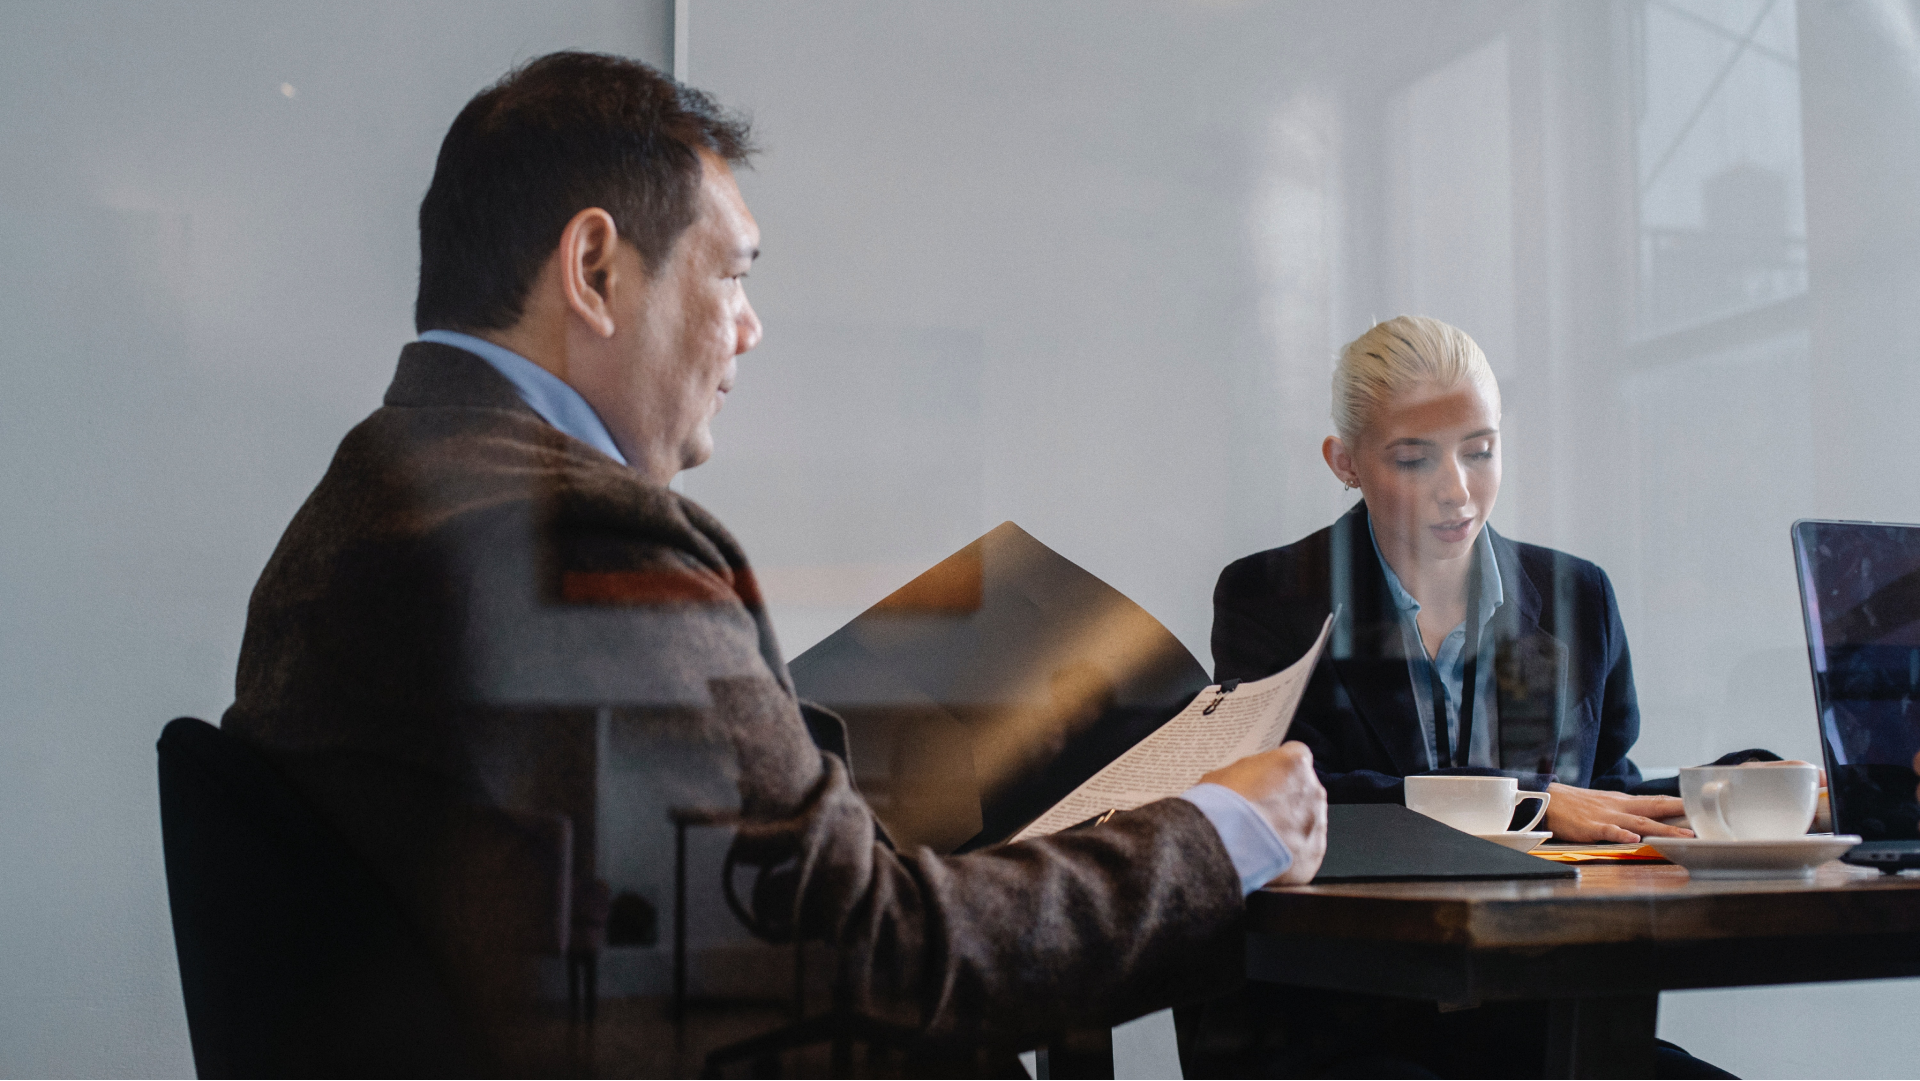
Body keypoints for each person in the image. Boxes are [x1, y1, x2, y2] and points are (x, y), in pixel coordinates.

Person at [221, 52, 1326, 1077]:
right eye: (733, 274)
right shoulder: (578, 541)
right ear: (596, 269)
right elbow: (869, 962)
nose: (749, 330)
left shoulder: (373, 499)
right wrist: (1221, 832)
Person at [1182, 316, 1741, 1079]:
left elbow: (1606, 799)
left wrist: (1759, 790)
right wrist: (1531, 802)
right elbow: (1293, 802)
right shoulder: (1271, 595)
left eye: (1480, 450)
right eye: (1414, 458)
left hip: (1531, 1010)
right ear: (1343, 461)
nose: (1457, 490)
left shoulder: (1575, 594)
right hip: (1338, 1021)